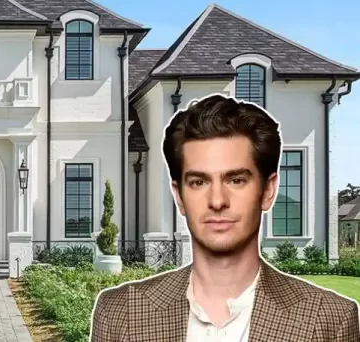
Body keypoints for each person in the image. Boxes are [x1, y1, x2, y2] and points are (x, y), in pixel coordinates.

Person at [90, 93, 359, 341]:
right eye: (198, 182)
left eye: (236, 180)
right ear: (179, 196)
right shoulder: (120, 313)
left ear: (268, 190)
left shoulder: (330, 321)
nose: (217, 201)